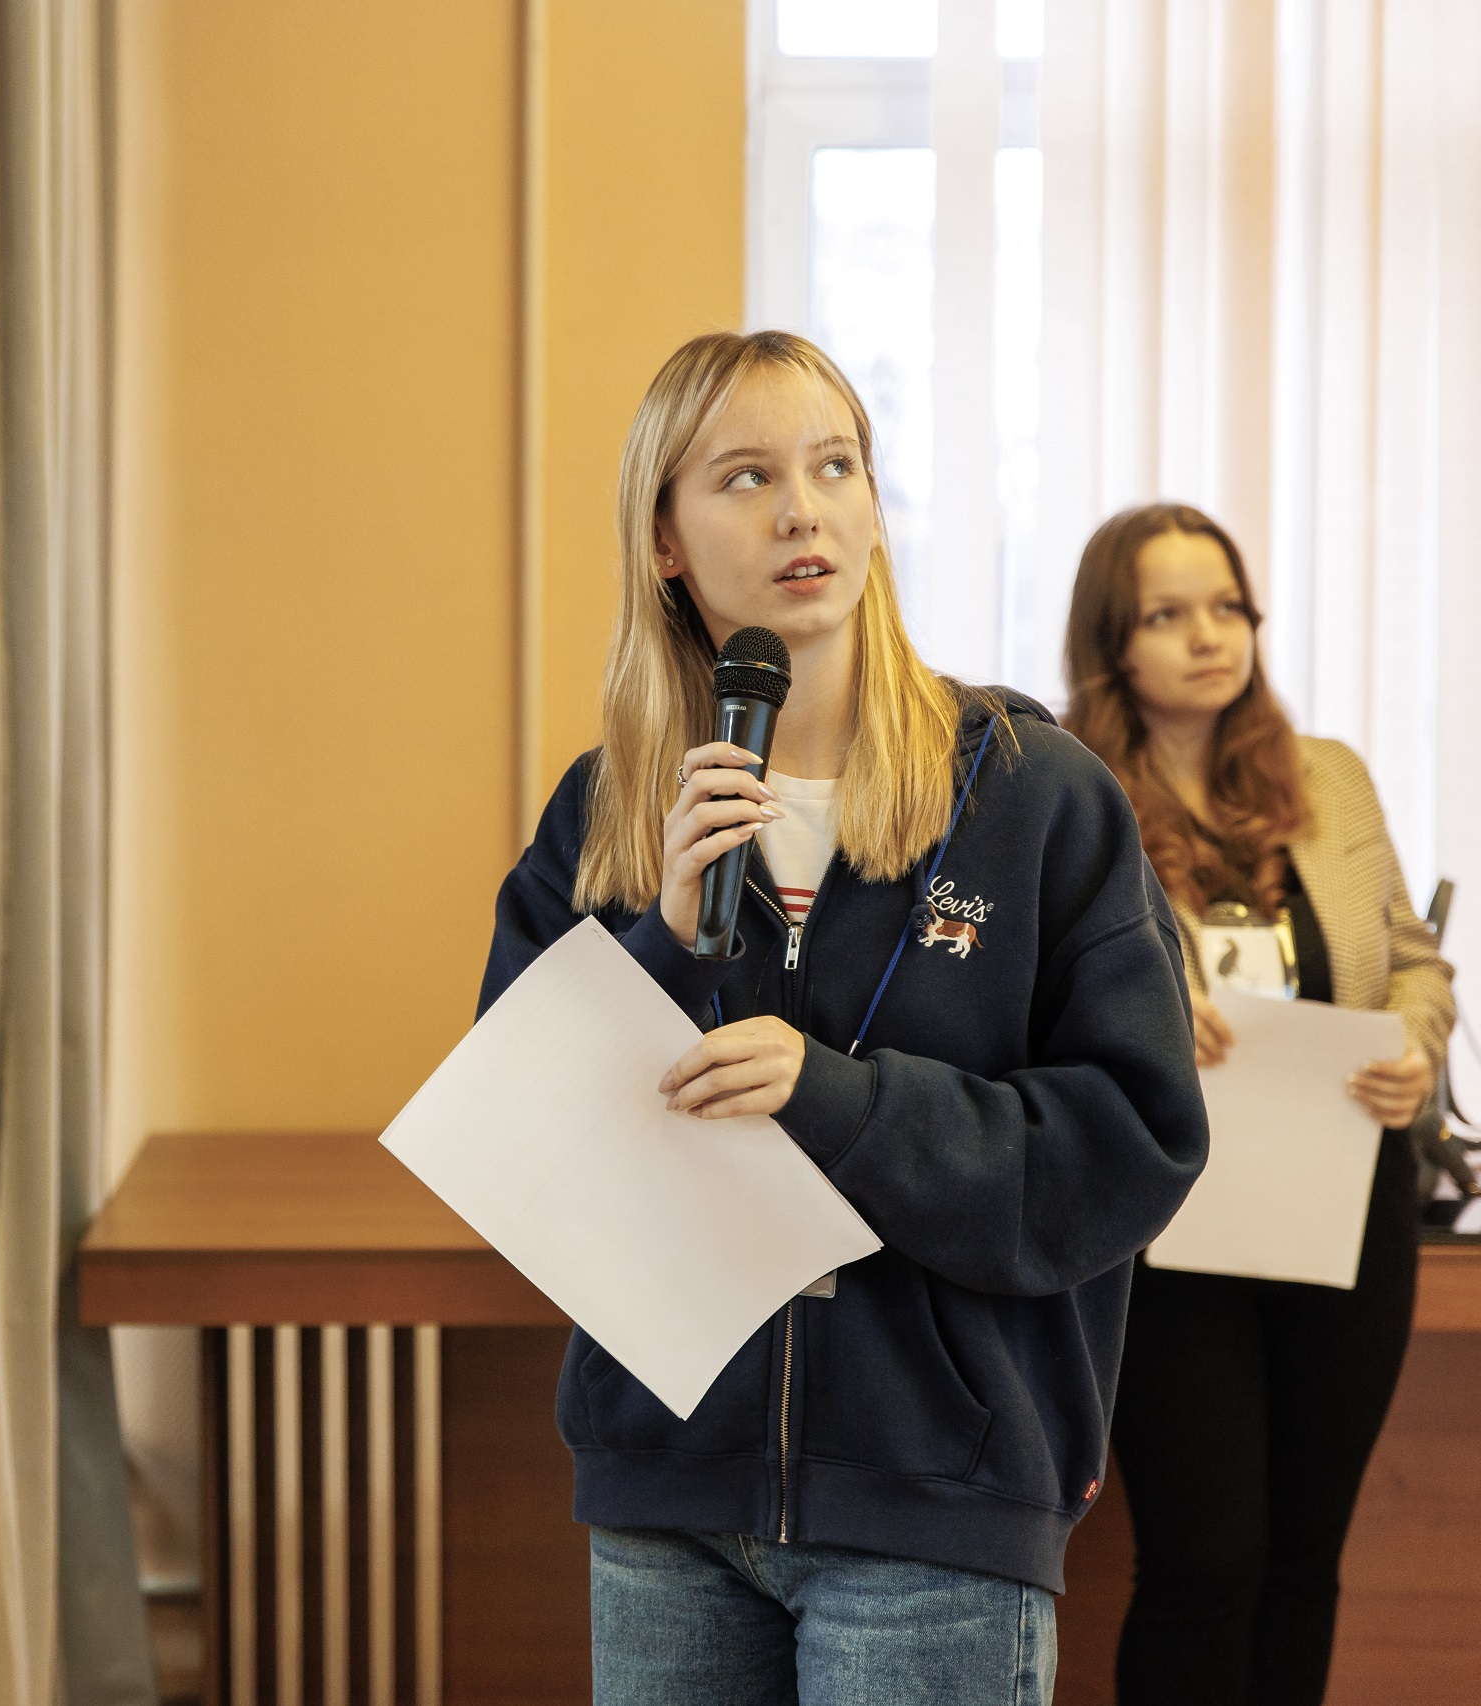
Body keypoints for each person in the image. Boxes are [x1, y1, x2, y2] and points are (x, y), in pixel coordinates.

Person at [481, 330, 1208, 1705]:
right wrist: (660, 941)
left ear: (875, 508)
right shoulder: (607, 811)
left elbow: (1131, 1143)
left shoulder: (1033, 797)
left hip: (938, 1507)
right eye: (745, 477)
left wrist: (839, 1098)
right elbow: (520, 1143)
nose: (801, 510)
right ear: (665, 541)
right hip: (667, 1502)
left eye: (833, 467)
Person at [1061, 502, 1453, 1706]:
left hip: (1344, 1207)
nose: (1209, 635)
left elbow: (1411, 957)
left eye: (1227, 606)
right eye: (1168, 614)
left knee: (1301, 1559)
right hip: (1173, 1226)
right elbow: (1025, 995)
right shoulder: (1068, 792)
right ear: (1111, 641)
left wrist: (1414, 1044)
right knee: (1202, 1561)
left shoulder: (1327, 777)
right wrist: (1139, 1017)